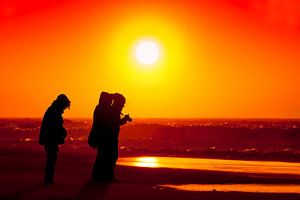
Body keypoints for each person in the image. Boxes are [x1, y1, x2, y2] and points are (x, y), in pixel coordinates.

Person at [39, 94, 70, 184]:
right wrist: (62, 132)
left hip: (49, 138)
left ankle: (48, 179)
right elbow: (53, 126)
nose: (64, 108)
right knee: (51, 158)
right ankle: (48, 180)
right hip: (50, 139)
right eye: (64, 106)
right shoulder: (54, 111)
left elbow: (55, 126)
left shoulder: (53, 110)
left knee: (51, 158)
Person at [89, 92, 113, 181]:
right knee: (101, 156)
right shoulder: (101, 109)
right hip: (101, 136)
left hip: (100, 135)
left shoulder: (99, 107)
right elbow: (103, 123)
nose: (110, 103)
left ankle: (97, 176)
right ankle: (97, 176)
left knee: (101, 156)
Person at [109, 93, 132, 180]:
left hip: (111, 138)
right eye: (122, 104)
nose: (123, 106)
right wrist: (124, 120)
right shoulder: (114, 112)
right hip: (111, 138)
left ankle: (108, 175)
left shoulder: (113, 111)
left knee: (112, 156)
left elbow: (115, 123)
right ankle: (109, 176)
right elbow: (114, 124)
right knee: (112, 156)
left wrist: (123, 120)